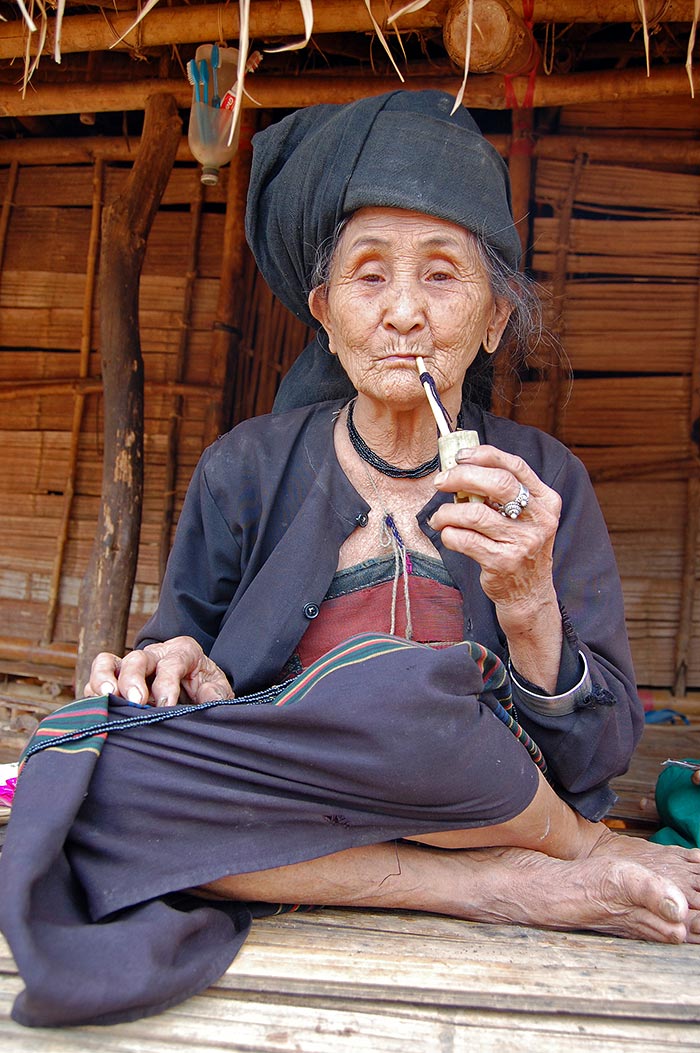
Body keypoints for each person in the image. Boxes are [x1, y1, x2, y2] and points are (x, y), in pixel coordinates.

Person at [2, 90, 699, 1029]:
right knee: (71, 756)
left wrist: (530, 604)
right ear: (326, 314)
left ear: (493, 318)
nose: (404, 312)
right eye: (369, 279)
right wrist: (177, 665)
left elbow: (601, 749)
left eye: (443, 277)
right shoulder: (245, 468)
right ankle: (503, 881)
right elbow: (183, 657)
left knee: (414, 692)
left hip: (471, 779)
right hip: (299, 800)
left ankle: (508, 841)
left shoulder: (542, 479)